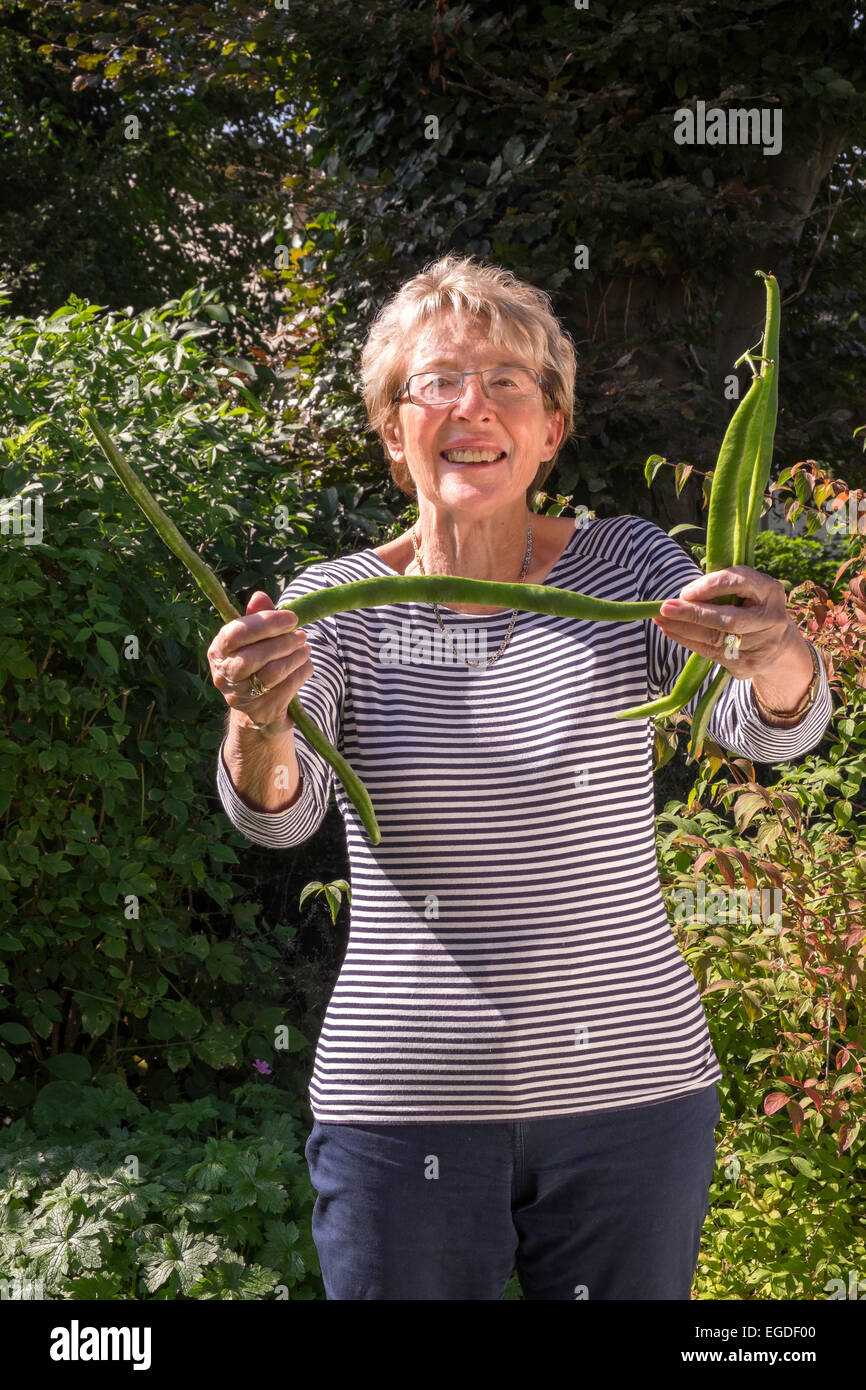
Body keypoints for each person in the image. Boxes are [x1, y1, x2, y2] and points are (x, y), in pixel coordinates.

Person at [208, 254, 832, 1300]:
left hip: (631, 1096)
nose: (472, 405)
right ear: (390, 429)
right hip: (401, 1107)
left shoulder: (628, 565)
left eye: (506, 381)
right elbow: (277, 813)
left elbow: (768, 726)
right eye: (436, 381)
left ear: (548, 429)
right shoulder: (333, 603)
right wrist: (255, 716)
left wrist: (772, 650)